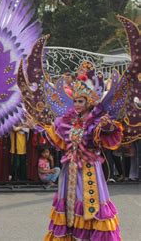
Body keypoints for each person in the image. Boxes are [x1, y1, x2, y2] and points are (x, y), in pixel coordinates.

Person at [29, 80, 123, 240]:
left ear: (89, 102)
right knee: (70, 206)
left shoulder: (96, 121)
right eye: (75, 101)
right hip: (70, 169)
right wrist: (36, 126)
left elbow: (106, 133)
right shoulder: (70, 121)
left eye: (80, 101)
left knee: (90, 204)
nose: (77, 104)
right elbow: (58, 139)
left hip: (89, 170)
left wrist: (108, 126)